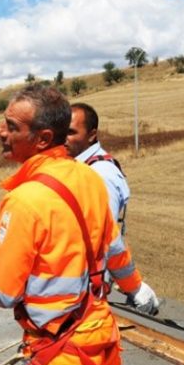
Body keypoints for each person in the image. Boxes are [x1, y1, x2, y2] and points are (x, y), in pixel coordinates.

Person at [0, 85, 132, 365]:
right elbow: (115, 246)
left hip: (60, 353)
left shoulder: (24, 201)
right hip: (101, 333)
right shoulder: (90, 178)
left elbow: (3, 294)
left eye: (11, 126)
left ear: (43, 138)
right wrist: (135, 288)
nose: (0, 131)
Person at [66, 102, 159, 315]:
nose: (63, 138)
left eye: (71, 132)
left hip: (86, 291)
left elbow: (107, 236)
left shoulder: (99, 175)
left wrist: (134, 288)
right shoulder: (77, 167)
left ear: (92, 135)